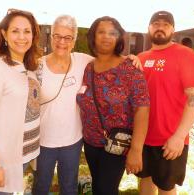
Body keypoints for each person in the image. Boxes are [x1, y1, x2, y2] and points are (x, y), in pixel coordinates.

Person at [32, 15, 142, 195]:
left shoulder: (83, 61)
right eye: (57, 36)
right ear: (51, 37)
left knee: (69, 188)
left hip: (72, 141)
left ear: (74, 40)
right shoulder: (37, 66)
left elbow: (109, 59)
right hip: (43, 141)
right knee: (40, 187)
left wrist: (129, 57)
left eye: (68, 37)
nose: (62, 42)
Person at [76, 16, 150, 195]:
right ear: (93, 36)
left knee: (105, 190)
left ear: (119, 37)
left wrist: (136, 150)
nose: (106, 36)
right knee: (99, 187)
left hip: (117, 144)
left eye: (112, 33)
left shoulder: (130, 68)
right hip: (91, 142)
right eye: (101, 32)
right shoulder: (88, 67)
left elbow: (142, 109)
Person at [0, 8, 42, 194]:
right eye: (15, 31)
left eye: (27, 31)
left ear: (33, 35)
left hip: (23, 156)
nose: (22, 37)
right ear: (4, 34)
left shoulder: (28, 66)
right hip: (2, 161)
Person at [136, 11, 194, 195]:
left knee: (166, 187)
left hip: (170, 139)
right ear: (148, 28)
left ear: (173, 29)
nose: (160, 27)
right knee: (145, 180)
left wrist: (180, 136)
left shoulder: (186, 56)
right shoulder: (141, 58)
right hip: (142, 136)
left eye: (166, 24)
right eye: (156, 23)